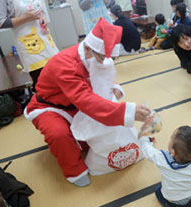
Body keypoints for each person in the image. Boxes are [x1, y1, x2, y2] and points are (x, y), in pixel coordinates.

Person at [24, 18, 151, 187]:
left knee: (105, 125)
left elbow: (102, 78)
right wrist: (128, 111)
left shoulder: (95, 57)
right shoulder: (65, 65)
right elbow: (86, 100)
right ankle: (74, 171)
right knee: (59, 135)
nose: (108, 61)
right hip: (50, 107)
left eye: (113, 58)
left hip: (76, 104)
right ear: (88, 48)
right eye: (105, 57)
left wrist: (113, 87)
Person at [0, 0, 59, 92]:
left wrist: (43, 16)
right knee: (45, 85)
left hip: (46, 41)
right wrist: (25, 18)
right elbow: (0, 23)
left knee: (58, 75)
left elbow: (38, 8)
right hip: (30, 48)